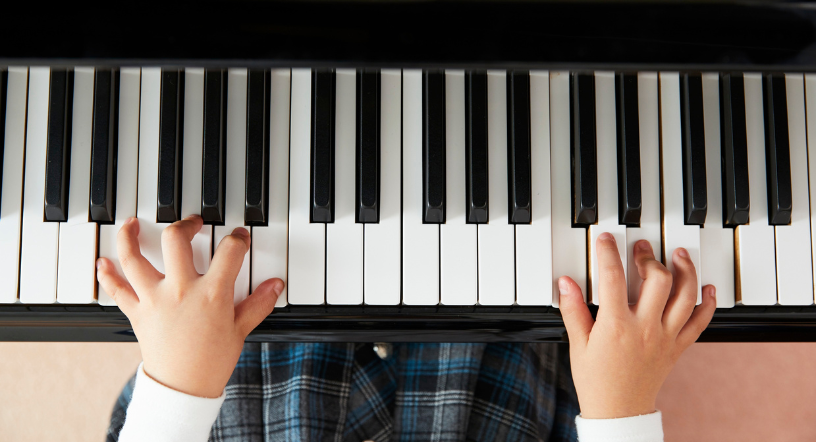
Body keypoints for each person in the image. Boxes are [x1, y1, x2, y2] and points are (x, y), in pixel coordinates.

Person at [99, 215, 716, 441]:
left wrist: (175, 386)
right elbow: (614, 405)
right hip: (511, 347)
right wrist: (622, 410)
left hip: (235, 347)